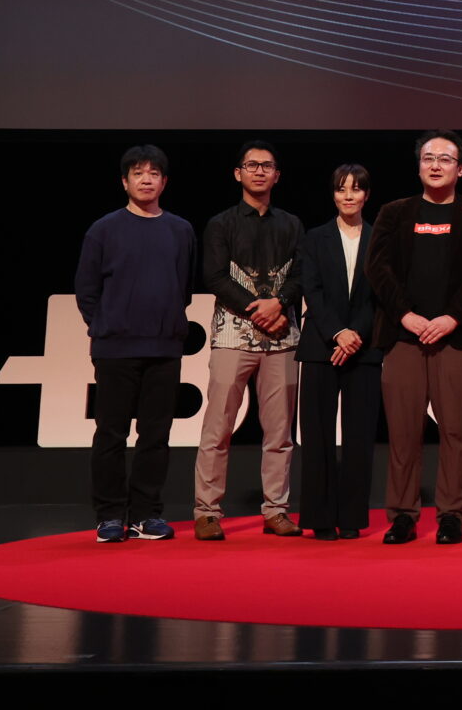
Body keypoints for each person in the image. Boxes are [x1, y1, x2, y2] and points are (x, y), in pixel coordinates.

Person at [369, 131, 462, 545]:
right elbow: (378, 268)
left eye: (445, 158)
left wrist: (452, 317)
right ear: (418, 166)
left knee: (456, 433)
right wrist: (405, 315)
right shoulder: (394, 213)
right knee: (403, 433)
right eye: (428, 158)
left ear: (460, 169)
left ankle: (451, 516)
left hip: (455, 338)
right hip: (403, 337)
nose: (436, 165)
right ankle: (402, 516)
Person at [74, 144, 195, 543]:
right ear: (124, 181)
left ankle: (146, 514)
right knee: (111, 433)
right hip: (115, 349)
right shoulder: (104, 229)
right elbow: (87, 290)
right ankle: (110, 515)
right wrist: (108, 325)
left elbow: (183, 287)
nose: (146, 180)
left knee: (155, 435)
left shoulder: (180, 229)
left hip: (164, 348)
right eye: (138, 173)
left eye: (153, 173)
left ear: (164, 181)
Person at [193, 140, 305, 540]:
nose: (259, 171)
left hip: (282, 339)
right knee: (218, 428)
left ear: (277, 175)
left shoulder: (292, 224)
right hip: (232, 337)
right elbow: (215, 276)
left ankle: (276, 510)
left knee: (280, 433)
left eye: (267, 166)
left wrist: (280, 303)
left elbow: (301, 274)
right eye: (252, 165)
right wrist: (259, 310)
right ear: (237, 173)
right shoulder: (221, 224)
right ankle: (207, 512)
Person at [294, 164, 382, 540]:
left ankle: (351, 518)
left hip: (364, 348)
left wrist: (355, 333)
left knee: (360, 436)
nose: (348, 195)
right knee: (317, 436)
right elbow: (311, 290)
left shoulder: (380, 238)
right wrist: (337, 333)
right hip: (320, 346)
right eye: (341, 189)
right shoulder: (315, 238)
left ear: (366, 195)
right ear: (333, 195)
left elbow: (381, 294)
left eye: (356, 189)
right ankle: (320, 517)